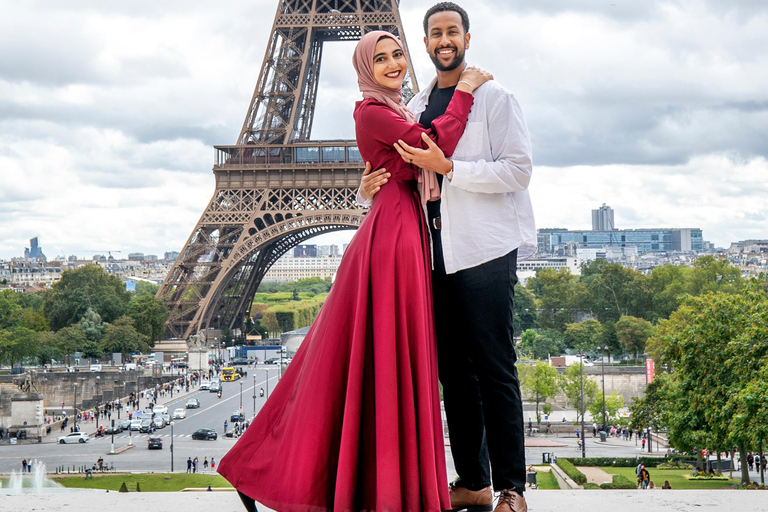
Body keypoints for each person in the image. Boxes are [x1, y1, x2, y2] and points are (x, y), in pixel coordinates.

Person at [217, 30, 489, 512]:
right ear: (365, 68)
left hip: (402, 226)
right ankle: (259, 467)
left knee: (349, 360)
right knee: (360, 357)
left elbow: (416, 155)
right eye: (379, 58)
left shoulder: (398, 108)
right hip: (393, 235)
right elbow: (433, 143)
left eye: (397, 54)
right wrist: (465, 90)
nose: (391, 64)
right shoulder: (373, 111)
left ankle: (340, 478)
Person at [359, 3, 535, 511]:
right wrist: (363, 189)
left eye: (451, 31)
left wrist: (451, 167)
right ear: (426, 41)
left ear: (466, 37)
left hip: (482, 250)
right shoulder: (411, 105)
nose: (444, 39)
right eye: (435, 32)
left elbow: (518, 171)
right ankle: (474, 481)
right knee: (454, 374)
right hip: (428, 253)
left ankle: (512, 490)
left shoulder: (494, 97)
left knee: (496, 368)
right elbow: (397, 174)